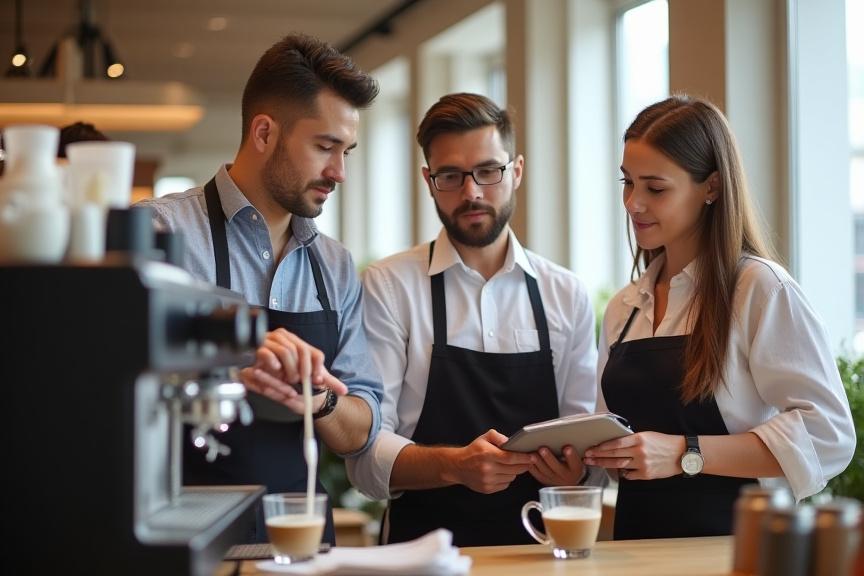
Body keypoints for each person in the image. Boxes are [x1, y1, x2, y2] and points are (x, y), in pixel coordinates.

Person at [137, 33, 384, 544]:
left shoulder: (334, 265)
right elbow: (109, 378)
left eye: (347, 151)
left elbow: (362, 429)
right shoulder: (160, 233)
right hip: (188, 540)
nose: (339, 172)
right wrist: (232, 357)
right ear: (265, 132)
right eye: (324, 147)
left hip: (306, 542)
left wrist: (317, 399)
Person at [586, 95, 856, 540]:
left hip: (735, 549)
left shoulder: (759, 289)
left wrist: (684, 454)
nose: (633, 203)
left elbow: (829, 435)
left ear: (711, 187)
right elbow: (618, 447)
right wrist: (584, 459)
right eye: (627, 182)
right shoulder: (624, 307)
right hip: (634, 551)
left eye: (655, 187)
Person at [347, 93, 600, 546]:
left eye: (488, 171)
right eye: (451, 176)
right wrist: (453, 466)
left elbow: (589, 441)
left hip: (541, 554)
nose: (472, 193)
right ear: (429, 180)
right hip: (419, 558)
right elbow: (365, 458)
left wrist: (578, 471)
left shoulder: (566, 294)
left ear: (516, 170)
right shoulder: (390, 285)